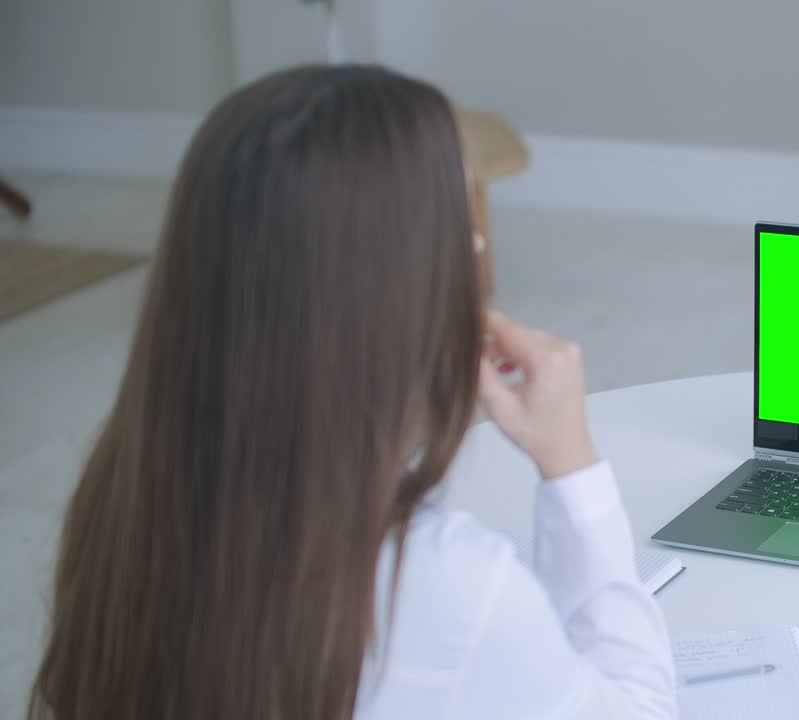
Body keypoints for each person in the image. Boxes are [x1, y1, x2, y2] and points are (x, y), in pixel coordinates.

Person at [28, 65, 676, 720]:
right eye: (452, 220)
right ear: (383, 283)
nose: (475, 242)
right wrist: (572, 466)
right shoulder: (441, 580)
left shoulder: (122, 481)